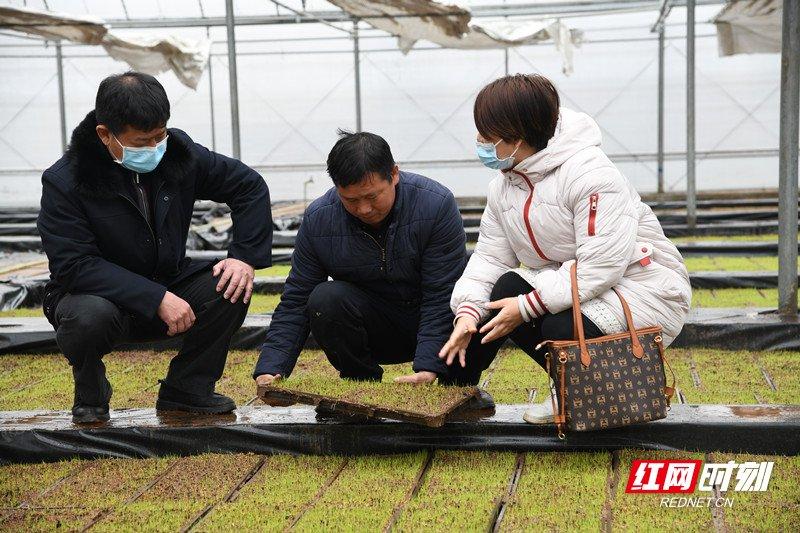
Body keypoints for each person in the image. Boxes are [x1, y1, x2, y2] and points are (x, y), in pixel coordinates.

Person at [438, 74, 691, 423]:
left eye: (487, 134)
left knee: (557, 325)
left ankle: (579, 394)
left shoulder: (591, 175)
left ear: (517, 137)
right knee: (502, 292)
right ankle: (452, 391)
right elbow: (491, 258)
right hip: (577, 287)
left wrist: (527, 307)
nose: (479, 140)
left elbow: (601, 267)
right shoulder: (505, 185)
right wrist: (468, 313)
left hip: (641, 289)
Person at [38, 71, 273, 424]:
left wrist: (243, 257)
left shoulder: (179, 154)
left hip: (168, 280)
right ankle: (90, 391)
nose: (153, 149)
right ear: (105, 134)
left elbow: (249, 186)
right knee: (86, 318)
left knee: (229, 287)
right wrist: (155, 298)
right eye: (141, 141)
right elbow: (75, 265)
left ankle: (189, 388)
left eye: (159, 136)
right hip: (100, 297)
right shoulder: (66, 181)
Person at [253, 130, 481, 396]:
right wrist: (270, 368)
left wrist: (428, 365)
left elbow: (441, 292)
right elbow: (297, 299)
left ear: (394, 174)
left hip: (436, 320)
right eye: (350, 200)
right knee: (325, 298)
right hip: (376, 327)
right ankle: (361, 383)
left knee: (477, 297)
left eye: (373, 197)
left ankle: (458, 385)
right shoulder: (319, 219)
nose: (364, 209)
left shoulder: (435, 205)